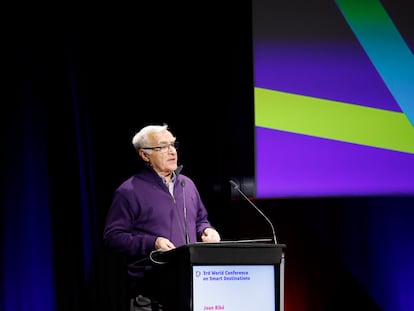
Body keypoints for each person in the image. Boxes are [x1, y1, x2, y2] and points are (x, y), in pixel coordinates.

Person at [103, 123, 221, 311]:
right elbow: (113, 237)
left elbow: (201, 219)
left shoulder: (187, 185)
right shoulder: (128, 191)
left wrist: (207, 230)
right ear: (144, 155)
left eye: (173, 145)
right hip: (151, 294)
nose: (172, 151)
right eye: (163, 146)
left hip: (192, 288)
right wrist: (153, 242)